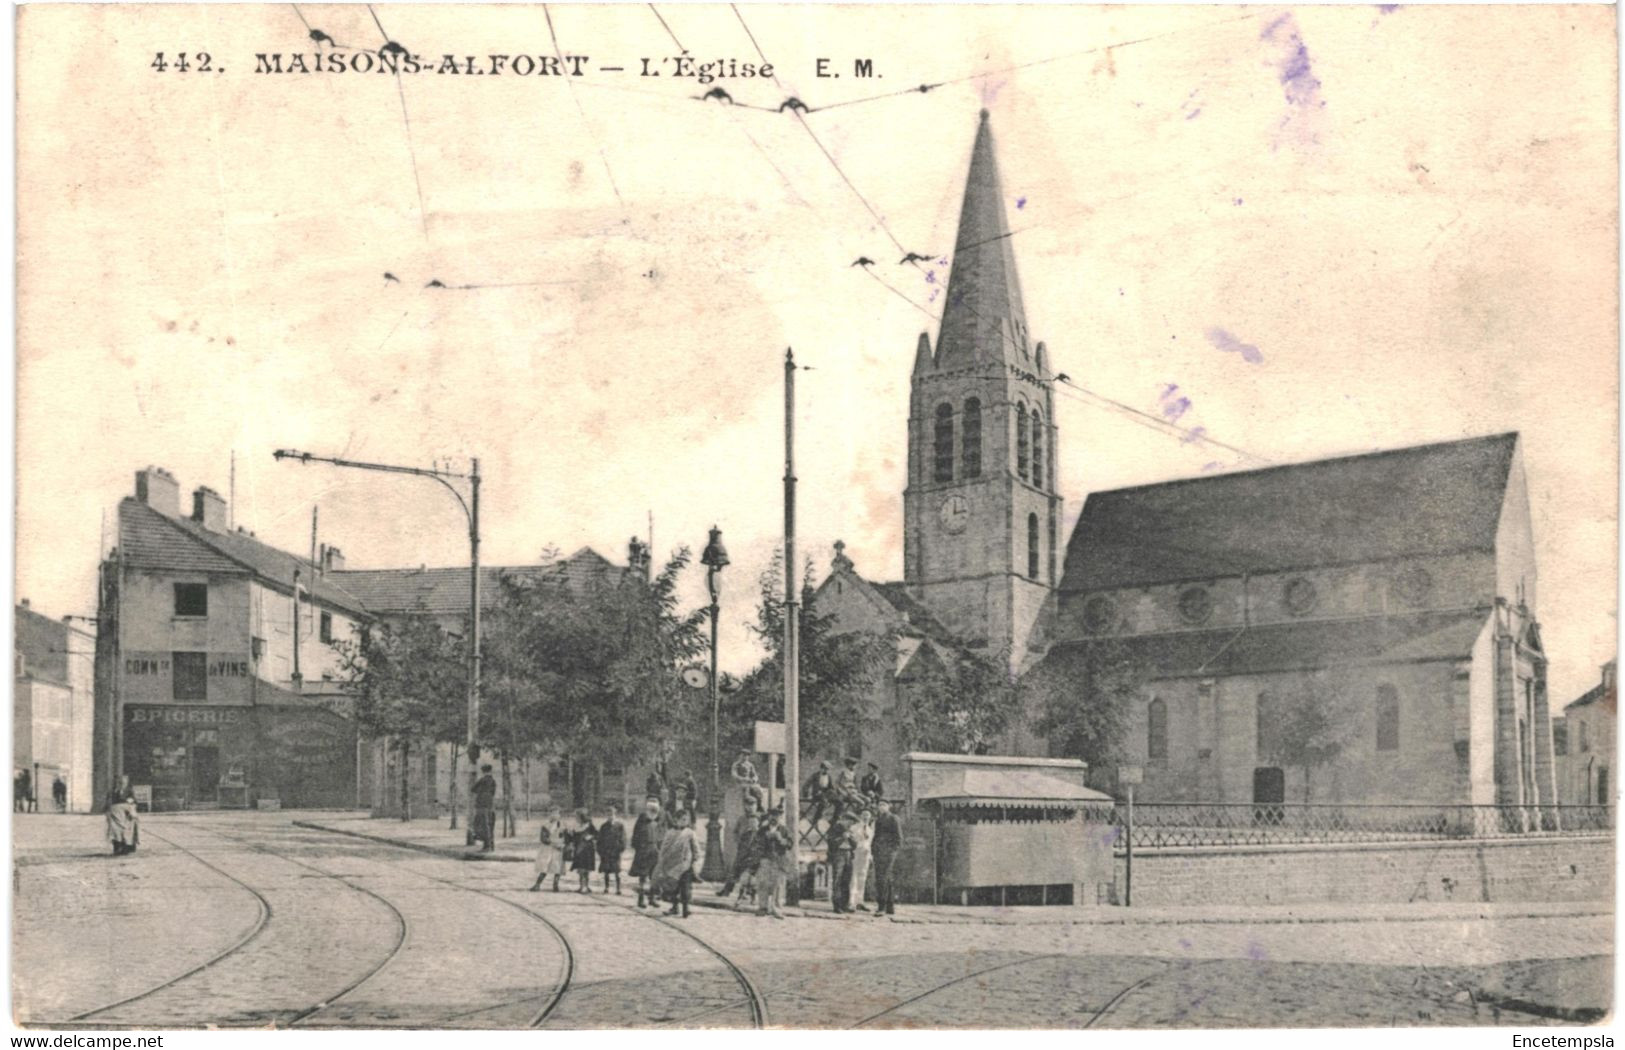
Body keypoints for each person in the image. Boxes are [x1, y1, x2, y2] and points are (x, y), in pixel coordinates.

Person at [656, 809, 701, 918]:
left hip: (686, 865)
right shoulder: (670, 833)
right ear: (676, 820)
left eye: (686, 820)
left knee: (685, 888)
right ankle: (675, 907)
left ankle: (686, 908)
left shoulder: (690, 833)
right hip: (672, 864)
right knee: (673, 888)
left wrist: (695, 858)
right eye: (682, 819)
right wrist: (662, 861)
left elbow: (695, 847)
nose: (685, 822)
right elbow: (664, 848)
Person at [754, 804, 791, 919]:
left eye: (777, 816)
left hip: (779, 860)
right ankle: (763, 907)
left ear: (780, 817)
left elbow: (790, 844)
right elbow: (756, 844)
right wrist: (765, 838)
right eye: (772, 815)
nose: (774, 818)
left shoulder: (784, 830)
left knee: (778, 885)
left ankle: (777, 908)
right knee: (763, 883)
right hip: (765, 859)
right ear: (768, 817)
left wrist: (781, 839)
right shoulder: (762, 830)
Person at [629, 796, 663, 909]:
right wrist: (639, 848)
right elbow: (635, 837)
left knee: (654, 876)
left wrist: (659, 849)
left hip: (654, 851)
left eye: (655, 811)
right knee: (643, 876)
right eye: (651, 811)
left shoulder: (657, 823)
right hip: (643, 851)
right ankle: (641, 899)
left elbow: (660, 837)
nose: (653, 813)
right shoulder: (641, 821)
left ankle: (652, 898)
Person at [871, 799, 903, 916]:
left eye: (883, 805)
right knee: (886, 879)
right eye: (879, 805)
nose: (881, 807)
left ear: (888, 806)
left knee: (882, 879)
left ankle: (881, 907)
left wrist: (892, 852)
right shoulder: (878, 820)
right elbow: (876, 836)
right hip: (878, 853)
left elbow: (899, 838)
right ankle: (890, 907)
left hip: (888, 853)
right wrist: (873, 850)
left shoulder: (893, 818)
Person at [529, 807, 567, 892]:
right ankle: (537, 884)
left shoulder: (563, 825)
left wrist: (563, 844)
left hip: (559, 848)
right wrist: (553, 843)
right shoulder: (546, 825)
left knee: (557, 867)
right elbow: (543, 838)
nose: (555, 815)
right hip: (548, 848)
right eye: (552, 813)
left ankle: (555, 885)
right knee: (545, 866)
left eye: (557, 813)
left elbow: (566, 837)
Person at [827, 809, 857, 914]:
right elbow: (830, 843)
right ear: (844, 819)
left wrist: (851, 838)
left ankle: (845, 904)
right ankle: (837, 905)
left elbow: (855, 845)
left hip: (848, 854)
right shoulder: (835, 828)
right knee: (838, 879)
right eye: (849, 821)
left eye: (852, 823)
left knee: (847, 879)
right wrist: (841, 838)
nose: (850, 824)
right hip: (838, 854)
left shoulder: (849, 830)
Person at [105, 776, 139, 856]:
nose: (121, 784)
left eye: (123, 783)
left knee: (128, 830)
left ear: (126, 783)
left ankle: (128, 847)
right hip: (115, 814)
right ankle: (117, 846)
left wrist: (131, 806)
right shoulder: (112, 791)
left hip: (127, 813)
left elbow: (134, 801)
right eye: (119, 782)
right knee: (115, 830)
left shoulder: (129, 791)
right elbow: (108, 802)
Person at [850, 807, 875, 911]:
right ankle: (852, 903)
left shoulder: (870, 830)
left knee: (862, 878)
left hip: (866, 855)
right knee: (854, 878)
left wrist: (870, 856)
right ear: (860, 816)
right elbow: (852, 841)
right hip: (856, 854)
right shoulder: (854, 828)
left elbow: (869, 844)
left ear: (870, 817)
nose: (866, 817)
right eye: (864, 814)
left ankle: (860, 901)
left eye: (868, 815)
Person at [597, 803, 626, 895]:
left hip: (616, 852)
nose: (610, 816)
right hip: (606, 852)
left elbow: (623, 838)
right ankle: (606, 887)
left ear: (615, 814)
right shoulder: (604, 826)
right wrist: (600, 851)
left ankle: (618, 888)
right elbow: (600, 840)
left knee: (617, 871)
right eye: (608, 814)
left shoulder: (620, 825)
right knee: (606, 871)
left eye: (612, 814)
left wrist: (621, 849)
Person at [472, 764, 498, 852]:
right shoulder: (493, 781)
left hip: (481, 805)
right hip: (490, 805)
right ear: (490, 771)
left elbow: (473, 789)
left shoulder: (482, 780)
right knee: (490, 825)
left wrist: (481, 792)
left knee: (482, 825)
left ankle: (486, 847)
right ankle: (491, 846)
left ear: (483, 772)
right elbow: (493, 793)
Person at [570, 809, 597, 893]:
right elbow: (573, 838)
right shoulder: (576, 826)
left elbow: (597, 834)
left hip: (588, 850)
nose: (575, 818)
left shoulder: (589, 825)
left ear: (582, 817)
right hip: (578, 849)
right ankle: (582, 886)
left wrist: (590, 837)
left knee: (587, 869)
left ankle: (587, 886)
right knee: (580, 869)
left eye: (577, 816)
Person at [804, 760, 836, 827]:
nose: (826, 771)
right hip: (817, 794)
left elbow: (831, 787)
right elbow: (806, 784)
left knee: (836, 801)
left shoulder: (828, 776)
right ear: (821, 768)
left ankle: (833, 820)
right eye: (825, 769)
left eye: (828, 769)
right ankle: (815, 820)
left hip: (826, 794)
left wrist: (833, 793)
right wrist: (806, 794)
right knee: (824, 802)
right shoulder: (815, 775)